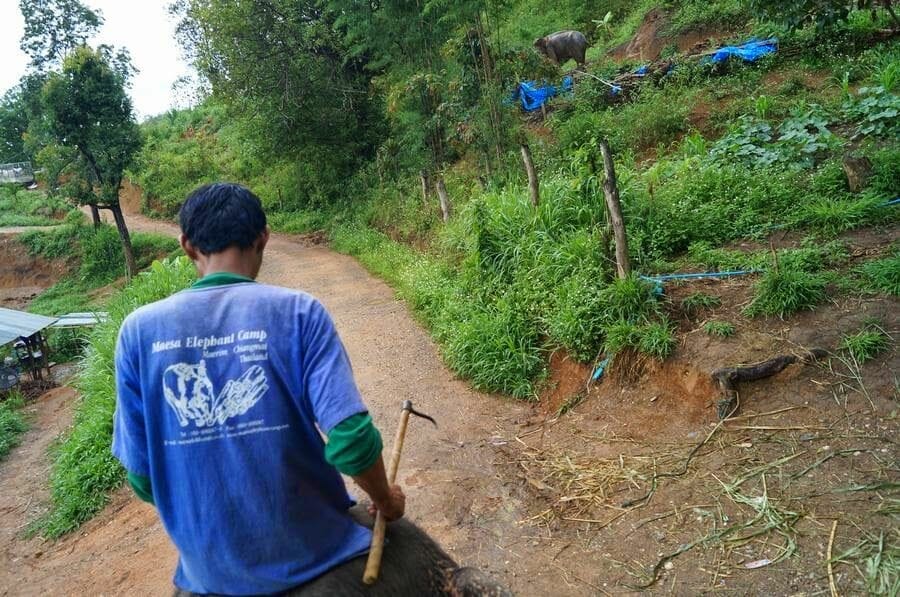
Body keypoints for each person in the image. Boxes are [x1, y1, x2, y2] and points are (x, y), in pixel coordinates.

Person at [111, 182, 405, 595]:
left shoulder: (137, 332)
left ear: (187, 246)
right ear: (264, 236)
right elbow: (351, 442)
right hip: (314, 552)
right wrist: (387, 500)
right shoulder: (300, 312)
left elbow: (143, 478)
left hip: (209, 572)